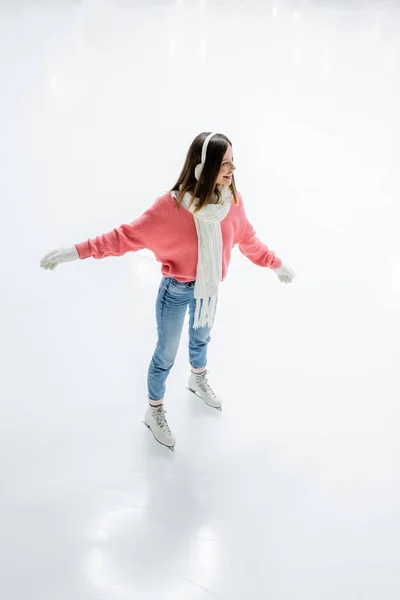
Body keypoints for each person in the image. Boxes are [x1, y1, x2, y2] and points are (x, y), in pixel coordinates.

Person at [40, 132, 295, 450]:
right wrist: (75, 251)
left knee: (202, 339)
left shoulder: (232, 204)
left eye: (233, 160)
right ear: (204, 167)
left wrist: (275, 263)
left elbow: (249, 240)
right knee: (166, 354)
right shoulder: (171, 207)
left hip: (209, 290)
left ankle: (197, 378)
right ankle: (154, 411)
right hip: (176, 291)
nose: (233, 168)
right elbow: (123, 237)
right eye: (225, 162)